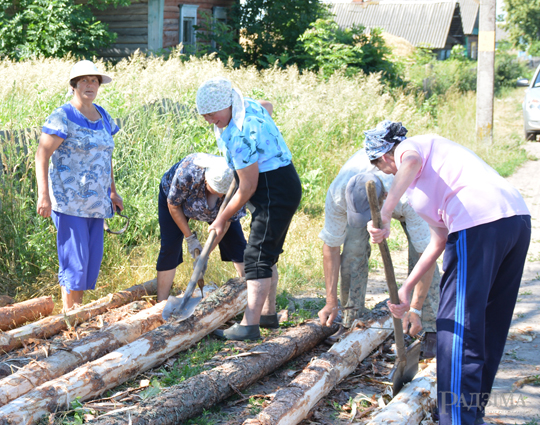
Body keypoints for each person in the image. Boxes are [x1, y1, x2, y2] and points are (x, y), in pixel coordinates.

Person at [366, 120, 531, 425]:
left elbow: (410, 160)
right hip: (515, 221)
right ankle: (471, 414)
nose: (383, 171)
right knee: (488, 326)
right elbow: (439, 241)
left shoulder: (412, 148)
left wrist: (386, 212)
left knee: (456, 326)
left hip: (477, 223)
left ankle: (457, 420)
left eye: (379, 164)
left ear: (386, 155)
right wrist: (407, 288)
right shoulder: (421, 189)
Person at [196, 77, 302, 341]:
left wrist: (222, 218)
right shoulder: (248, 105)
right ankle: (267, 314)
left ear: (228, 104)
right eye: (204, 115)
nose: (209, 119)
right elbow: (268, 106)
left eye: (212, 113)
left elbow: (248, 187)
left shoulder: (240, 135)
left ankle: (249, 326)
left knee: (256, 256)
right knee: (267, 252)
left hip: (272, 190)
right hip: (283, 182)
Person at [317, 148, 440, 352]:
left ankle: (429, 327)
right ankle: (351, 320)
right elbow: (331, 247)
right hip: (364, 195)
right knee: (353, 250)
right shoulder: (338, 194)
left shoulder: (411, 196)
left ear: (384, 197)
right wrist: (330, 301)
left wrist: (415, 308)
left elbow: (426, 255)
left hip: (405, 200)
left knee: (419, 254)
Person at [35, 60, 123, 312]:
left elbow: (106, 157)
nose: (90, 85)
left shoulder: (103, 115)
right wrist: (44, 196)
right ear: (74, 85)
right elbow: (42, 155)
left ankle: (76, 316)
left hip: (97, 203)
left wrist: (113, 192)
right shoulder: (63, 116)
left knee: (89, 263)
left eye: (94, 80)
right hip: (68, 202)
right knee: (75, 264)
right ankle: (69, 320)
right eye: (84, 80)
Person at [156, 153, 247, 302]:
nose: (219, 194)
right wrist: (190, 238)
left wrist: (205, 255)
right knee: (170, 247)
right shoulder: (188, 173)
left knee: (237, 245)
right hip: (177, 203)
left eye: (222, 192)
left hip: (219, 212)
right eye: (215, 189)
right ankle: (160, 304)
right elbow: (173, 206)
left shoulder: (236, 185)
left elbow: (225, 224)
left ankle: (249, 298)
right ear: (206, 179)